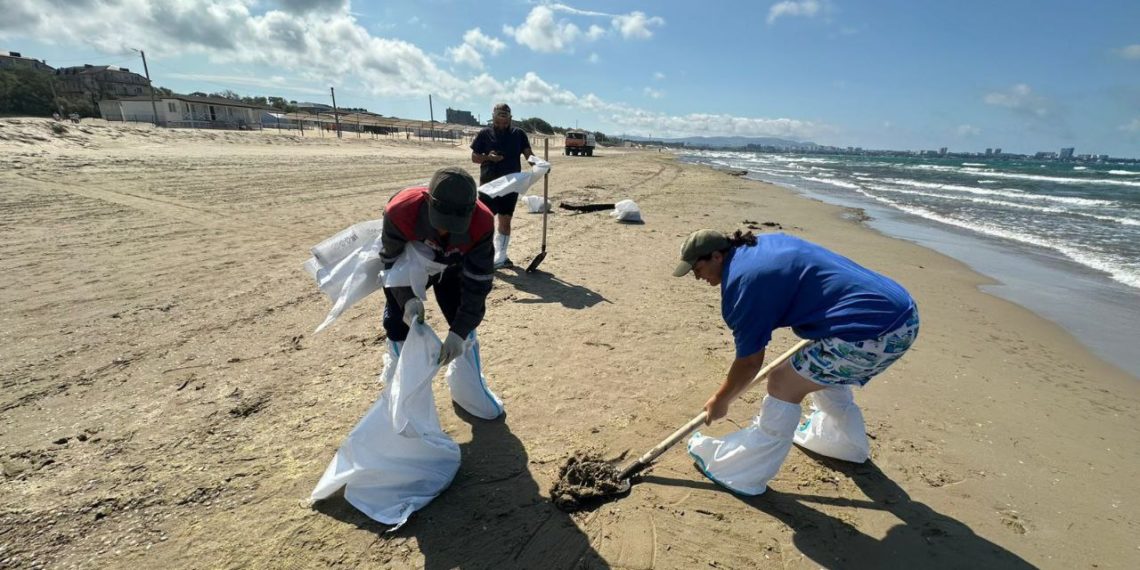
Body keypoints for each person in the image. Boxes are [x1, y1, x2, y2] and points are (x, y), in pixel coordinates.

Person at [674, 229, 919, 495]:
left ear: (717, 256)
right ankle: (840, 441)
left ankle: (742, 472)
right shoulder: (762, 244)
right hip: (900, 310)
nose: (697, 277)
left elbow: (750, 363)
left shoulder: (744, 286)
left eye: (697, 269)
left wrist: (721, 399)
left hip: (877, 334)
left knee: (783, 381)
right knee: (813, 367)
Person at [379, 167, 495, 370]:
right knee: (397, 321)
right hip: (412, 264)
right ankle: (401, 380)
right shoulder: (400, 212)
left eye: (455, 225)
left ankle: (468, 379)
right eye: (440, 222)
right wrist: (406, 300)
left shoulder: (482, 223)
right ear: (427, 200)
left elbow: (478, 283)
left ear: (472, 211)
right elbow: (391, 264)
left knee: (461, 322)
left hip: (453, 265)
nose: (445, 230)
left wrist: (459, 332)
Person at [470, 103, 533, 268]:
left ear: (510, 119)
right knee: (484, 220)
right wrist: (488, 157)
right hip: (488, 185)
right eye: (498, 122)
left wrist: (540, 165)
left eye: (505, 122)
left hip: (511, 185)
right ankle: (482, 255)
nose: (501, 126)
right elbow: (474, 157)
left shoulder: (518, 134)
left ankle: (501, 256)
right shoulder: (484, 134)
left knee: (505, 219)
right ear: (493, 118)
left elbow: (529, 156)